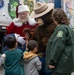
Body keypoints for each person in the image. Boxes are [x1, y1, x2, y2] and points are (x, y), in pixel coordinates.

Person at [46, 8, 74, 75]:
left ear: (55, 19)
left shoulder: (61, 29)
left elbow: (58, 46)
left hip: (60, 65)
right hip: (67, 64)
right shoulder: (68, 28)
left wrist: (52, 61)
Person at [30, 2, 56, 75]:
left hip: (51, 57)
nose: (37, 20)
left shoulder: (55, 27)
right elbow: (35, 40)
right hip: (39, 56)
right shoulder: (37, 29)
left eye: (40, 17)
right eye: (36, 18)